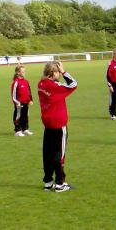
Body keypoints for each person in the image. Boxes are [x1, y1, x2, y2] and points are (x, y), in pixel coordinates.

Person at [38, 61, 77, 192]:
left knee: (47, 153)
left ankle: (48, 181)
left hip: (47, 123)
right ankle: (60, 182)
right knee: (59, 154)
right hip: (59, 124)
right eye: (57, 72)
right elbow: (73, 84)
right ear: (53, 72)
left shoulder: (40, 84)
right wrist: (64, 71)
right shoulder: (55, 86)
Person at [11, 65, 34, 137]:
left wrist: (30, 100)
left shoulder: (26, 81)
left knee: (25, 116)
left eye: (24, 71)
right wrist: (17, 102)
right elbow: (13, 94)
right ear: (18, 72)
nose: (24, 73)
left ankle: (25, 129)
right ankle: (17, 130)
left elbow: (29, 91)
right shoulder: (16, 82)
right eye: (22, 71)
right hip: (19, 103)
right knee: (18, 116)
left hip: (26, 102)